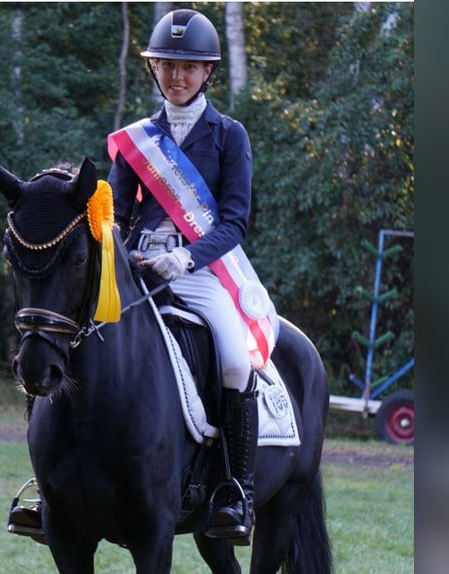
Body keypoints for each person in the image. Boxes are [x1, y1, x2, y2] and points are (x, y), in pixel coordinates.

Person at [107, 8, 277, 545]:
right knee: (76, 338)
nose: (176, 76)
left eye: (189, 66)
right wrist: (127, 252)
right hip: (140, 269)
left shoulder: (230, 136)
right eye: (166, 65)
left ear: (208, 72)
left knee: (232, 357)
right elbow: (115, 215)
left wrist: (184, 258)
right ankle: (54, 485)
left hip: (201, 271)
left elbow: (234, 221)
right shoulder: (137, 142)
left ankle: (237, 491)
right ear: (153, 69)